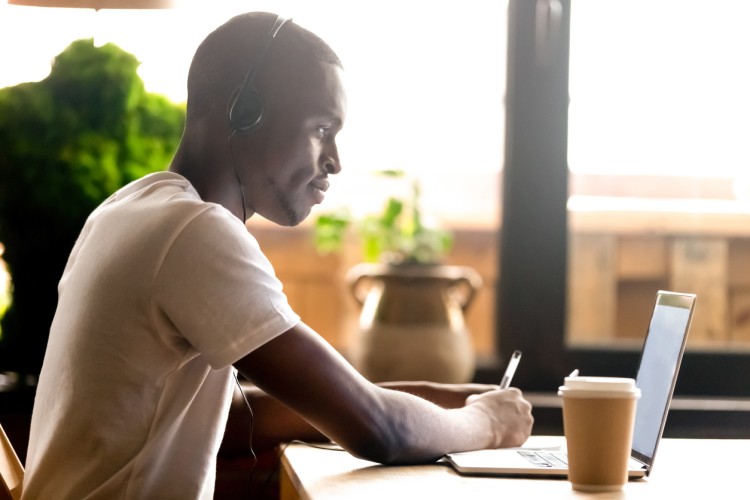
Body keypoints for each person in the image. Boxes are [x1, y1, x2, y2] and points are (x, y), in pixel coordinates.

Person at [21, 12, 533, 499]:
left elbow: (240, 415)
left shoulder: (130, 208)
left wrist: (443, 401)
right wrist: (487, 424)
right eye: (321, 129)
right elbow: (379, 430)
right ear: (245, 111)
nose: (334, 160)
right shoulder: (195, 231)